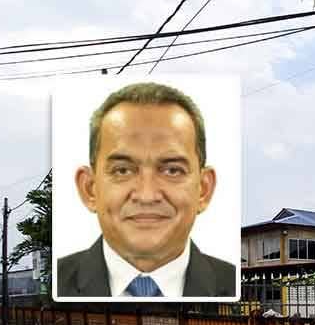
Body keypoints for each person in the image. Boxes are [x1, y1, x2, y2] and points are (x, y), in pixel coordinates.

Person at [56, 82, 236, 298]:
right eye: (122, 170)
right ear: (89, 189)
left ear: (204, 189)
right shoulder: (58, 282)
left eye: (172, 170)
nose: (147, 195)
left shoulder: (232, 284)